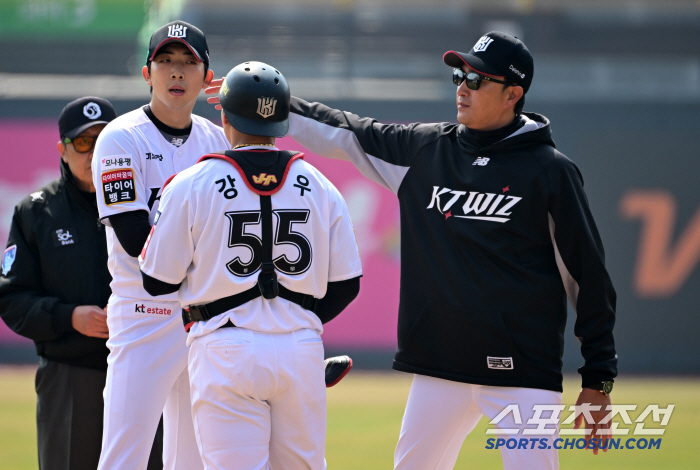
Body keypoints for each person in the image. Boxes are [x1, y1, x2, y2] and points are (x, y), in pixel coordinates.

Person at [209, 31, 617, 469]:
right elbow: (347, 131)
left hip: (523, 372)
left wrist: (598, 377)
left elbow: (588, 275)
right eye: (460, 75)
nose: (462, 86)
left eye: (477, 80)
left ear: (512, 94)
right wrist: (265, 103)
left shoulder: (550, 172)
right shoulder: (425, 150)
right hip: (440, 367)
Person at [139, 61, 362, 470]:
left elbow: (155, 280)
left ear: (223, 115)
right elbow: (348, 285)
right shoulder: (321, 185)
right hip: (300, 350)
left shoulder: (191, 183)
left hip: (224, 348)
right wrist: (291, 320)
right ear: (281, 120)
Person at [91, 20, 228, 470]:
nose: (176, 72)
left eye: (189, 62)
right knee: (123, 456)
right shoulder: (120, 136)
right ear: (146, 72)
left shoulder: (217, 140)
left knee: (192, 459)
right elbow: (134, 240)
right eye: (165, 61)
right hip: (143, 315)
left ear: (207, 77)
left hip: (199, 319)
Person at [0, 97, 163, 470]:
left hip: (146, 369)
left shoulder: (149, 202)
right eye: (82, 142)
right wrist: (68, 317)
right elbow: (11, 297)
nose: (92, 152)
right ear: (63, 148)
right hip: (72, 374)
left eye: (103, 139)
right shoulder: (37, 211)